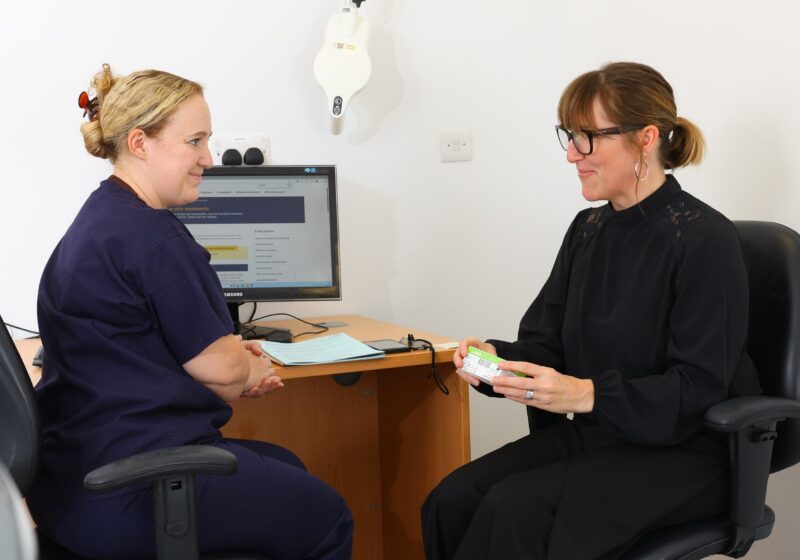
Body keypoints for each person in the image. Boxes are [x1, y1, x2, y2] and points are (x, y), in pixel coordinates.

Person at [421, 61, 762, 560]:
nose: (571, 155)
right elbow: (548, 345)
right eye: (569, 136)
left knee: (512, 511)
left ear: (645, 138)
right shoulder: (588, 231)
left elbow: (698, 386)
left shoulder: (706, 241)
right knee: (450, 500)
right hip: (605, 433)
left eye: (587, 139)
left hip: (685, 452)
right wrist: (495, 360)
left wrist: (587, 393)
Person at [27, 64, 353, 559]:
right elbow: (222, 373)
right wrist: (247, 366)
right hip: (134, 486)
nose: (208, 158)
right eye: (194, 141)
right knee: (328, 516)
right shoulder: (155, 239)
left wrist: (230, 360)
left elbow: (142, 346)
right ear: (140, 143)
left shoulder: (96, 220)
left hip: (73, 484)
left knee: (286, 465)